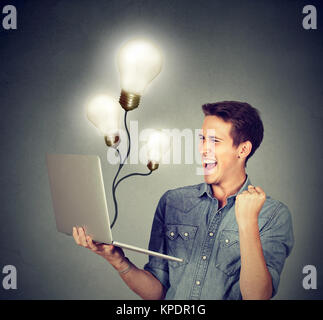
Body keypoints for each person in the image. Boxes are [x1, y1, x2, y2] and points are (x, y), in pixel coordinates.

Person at [72, 101, 294, 300]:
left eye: (214, 141)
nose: (203, 149)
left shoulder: (273, 215)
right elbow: (158, 291)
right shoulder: (172, 202)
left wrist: (247, 223)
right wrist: (117, 261)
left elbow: (258, 296)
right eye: (202, 139)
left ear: (243, 149)